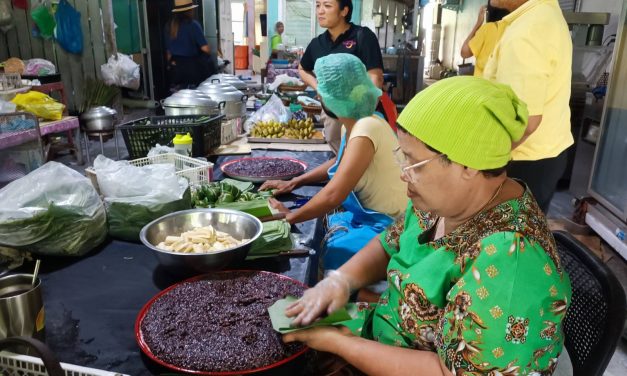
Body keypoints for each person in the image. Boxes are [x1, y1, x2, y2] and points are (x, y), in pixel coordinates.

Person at [282, 77, 572, 375]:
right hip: (386, 332)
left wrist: (340, 345)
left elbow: (453, 372)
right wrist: (340, 281)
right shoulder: (443, 202)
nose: (403, 175)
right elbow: (390, 242)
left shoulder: (510, 261)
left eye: (413, 162)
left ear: (467, 165)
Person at [261, 53, 406, 271]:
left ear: (334, 98)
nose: (320, 97)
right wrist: (294, 182)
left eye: (322, 92)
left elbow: (333, 195)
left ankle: (366, 294)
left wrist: (289, 218)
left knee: (331, 257)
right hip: (374, 219)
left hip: (389, 227)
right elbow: (342, 163)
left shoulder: (366, 129)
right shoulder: (361, 122)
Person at [483, 0, 573, 213]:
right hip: (544, 154)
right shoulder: (545, 15)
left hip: (523, 159)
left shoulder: (528, 31)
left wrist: (481, 160)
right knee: (523, 234)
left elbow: (527, 121)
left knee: (509, 238)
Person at [299, 0, 384, 154]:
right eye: (318, 5)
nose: (320, 11)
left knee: (363, 158)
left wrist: (364, 112)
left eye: (327, 5)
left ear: (344, 11)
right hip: (332, 114)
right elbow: (302, 68)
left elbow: (375, 77)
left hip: (360, 114)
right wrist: (318, 87)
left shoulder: (362, 36)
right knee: (339, 155)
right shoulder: (317, 43)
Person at [164, 0, 214, 89]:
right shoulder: (193, 25)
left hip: (176, 70)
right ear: (189, 11)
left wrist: (170, 66)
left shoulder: (168, 26)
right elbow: (206, 49)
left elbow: (168, 53)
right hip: (192, 71)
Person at [460, 2, 509, 77]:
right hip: (503, 85)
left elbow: (464, 53)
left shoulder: (488, 28)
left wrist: (478, 23)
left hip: (483, 84)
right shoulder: (515, 28)